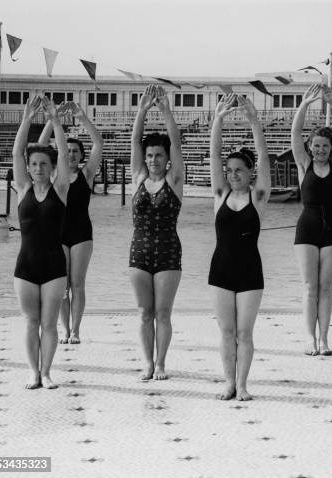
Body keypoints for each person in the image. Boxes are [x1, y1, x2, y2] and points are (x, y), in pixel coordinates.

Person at [208, 94, 270, 400]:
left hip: (250, 273)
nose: (233, 175)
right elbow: (214, 154)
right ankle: (228, 383)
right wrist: (218, 118)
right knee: (227, 333)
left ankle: (243, 384)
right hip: (220, 271)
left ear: (250, 174)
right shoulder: (219, 193)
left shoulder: (257, 198)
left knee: (245, 333)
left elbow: (263, 154)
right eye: (229, 170)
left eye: (239, 171)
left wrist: (254, 122)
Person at [13, 95, 69, 389]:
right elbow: (16, 152)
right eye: (33, 164)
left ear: (51, 166)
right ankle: (33, 372)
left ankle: (46, 372)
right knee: (31, 323)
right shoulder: (22, 189)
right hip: (26, 267)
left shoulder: (61, 189)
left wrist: (55, 121)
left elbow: (64, 154)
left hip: (54, 268)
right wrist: (26, 119)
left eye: (43, 164)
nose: (37, 168)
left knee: (49, 324)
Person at [292, 83, 332, 356]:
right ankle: (309, 338)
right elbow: (295, 133)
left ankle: (324, 339)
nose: (320, 149)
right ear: (310, 147)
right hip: (306, 228)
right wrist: (304, 104)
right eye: (316, 145)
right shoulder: (304, 164)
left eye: (325, 146)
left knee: (325, 288)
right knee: (309, 287)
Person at [130, 85, 184, 381]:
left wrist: (165, 111)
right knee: (144, 313)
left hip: (167, 252)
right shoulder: (138, 177)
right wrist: (141, 111)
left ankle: (161, 363)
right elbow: (134, 141)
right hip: (138, 252)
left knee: (163, 313)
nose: (153, 160)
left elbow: (175, 141)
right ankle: (147, 363)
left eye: (159, 155)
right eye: (149, 155)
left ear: (166, 158)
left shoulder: (175, 180)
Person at [38, 102, 103, 344]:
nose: (73, 155)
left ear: (81, 156)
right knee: (61, 285)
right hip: (58, 234)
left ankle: (76, 330)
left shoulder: (87, 175)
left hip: (81, 234)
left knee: (77, 283)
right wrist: (51, 119)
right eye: (69, 151)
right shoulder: (56, 175)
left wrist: (82, 117)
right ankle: (64, 330)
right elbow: (40, 146)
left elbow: (99, 143)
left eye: (77, 152)